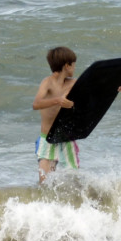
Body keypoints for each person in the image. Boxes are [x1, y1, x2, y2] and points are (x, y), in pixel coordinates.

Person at [32, 46, 79, 183]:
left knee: (73, 181)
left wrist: (117, 87)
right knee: (45, 181)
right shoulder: (48, 82)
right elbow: (36, 104)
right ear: (66, 66)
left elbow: (97, 88)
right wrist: (58, 100)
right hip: (47, 138)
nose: (75, 68)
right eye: (74, 65)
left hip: (66, 138)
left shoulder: (73, 83)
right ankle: (47, 205)